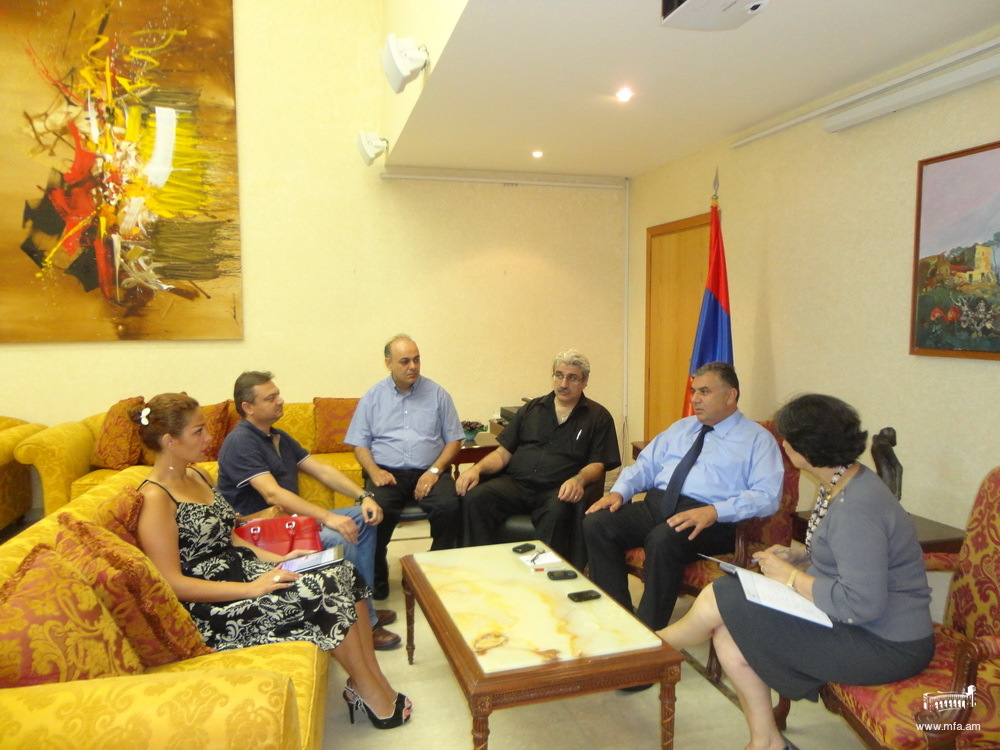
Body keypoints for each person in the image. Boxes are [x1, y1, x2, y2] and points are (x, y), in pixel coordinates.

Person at [660, 394, 934, 750]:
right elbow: (850, 554)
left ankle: (654, 645)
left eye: (787, 438)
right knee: (728, 631)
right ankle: (767, 742)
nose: (783, 444)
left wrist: (788, 577)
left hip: (884, 643)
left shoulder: (856, 507)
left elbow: (860, 603)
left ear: (807, 447)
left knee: (723, 594)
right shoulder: (843, 480)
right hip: (857, 623)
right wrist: (801, 557)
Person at [131, 394, 412, 729]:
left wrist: (282, 559)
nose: (209, 438)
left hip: (245, 572)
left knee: (341, 570)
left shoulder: (197, 477)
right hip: (214, 603)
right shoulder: (155, 498)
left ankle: (367, 682)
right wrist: (251, 589)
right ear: (169, 441)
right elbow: (171, 582)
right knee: (325, 587)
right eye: (198, 432)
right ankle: (370, 691)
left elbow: (232, 538)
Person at [583, 361, 784, 632]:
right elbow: (645, 466)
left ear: (730, 395)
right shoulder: (682, 428)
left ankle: (648, 636)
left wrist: (715, 511)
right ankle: (618, 617)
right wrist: (620, 491)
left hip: (710, 518)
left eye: (704, 392)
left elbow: (767, 495)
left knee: (662, 540)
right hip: (659, 504)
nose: (695, 399)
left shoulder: (757, 440)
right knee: (597, 523)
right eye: (693, 391)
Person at [216, 371, 400, 649]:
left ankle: (364, 605)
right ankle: (363, 623)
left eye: (278, 393)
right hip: (262, 536)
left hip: (292, 525)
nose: (281, 401)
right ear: (248, 408)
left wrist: (364, 496)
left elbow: (322, 470)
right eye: (271, 397)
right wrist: (328, 517)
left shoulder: (277, 436)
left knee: (363, 518)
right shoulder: (241, 441)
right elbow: (272, 493)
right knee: (338, 537)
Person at [459, 349, 620, 562]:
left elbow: (598, 464)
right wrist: (476, 469)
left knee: (559, 510)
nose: (563, 384)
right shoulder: (531, 409)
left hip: (556, 490)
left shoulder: (598, 417)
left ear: (585, 381)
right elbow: (503, 453)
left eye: (572, 378)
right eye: (559, 375)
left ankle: (542, 577)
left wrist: (578, 480)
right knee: (476, 498)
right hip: (516, 484)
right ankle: (482, 566)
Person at [346, 334, 464, 600]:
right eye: (405, 361)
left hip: (430, 471)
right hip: (388, 473)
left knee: (450, 507)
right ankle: (377, 577)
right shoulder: (373, 397)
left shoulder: (437, 394)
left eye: (417, 360)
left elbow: (455, 440)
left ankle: (436, 570)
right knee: (376, 513)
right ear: (389, 363)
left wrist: (434, 471)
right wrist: (374, 471)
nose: (413, 366)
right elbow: (359, 444)